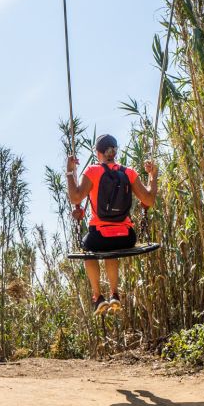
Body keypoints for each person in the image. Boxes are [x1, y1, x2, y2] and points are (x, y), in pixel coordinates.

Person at [65, 134, 157, 315]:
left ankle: (98, 297)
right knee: (111, 247)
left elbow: (75, 197)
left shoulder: (93, 171)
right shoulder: (128, 172)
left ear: (97, 153)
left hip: (99, 238)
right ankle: (114, 293)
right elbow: (149, 199)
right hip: (127, 237)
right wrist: (153, 176)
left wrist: (69, 172)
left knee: (88, 251)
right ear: (115, 151)